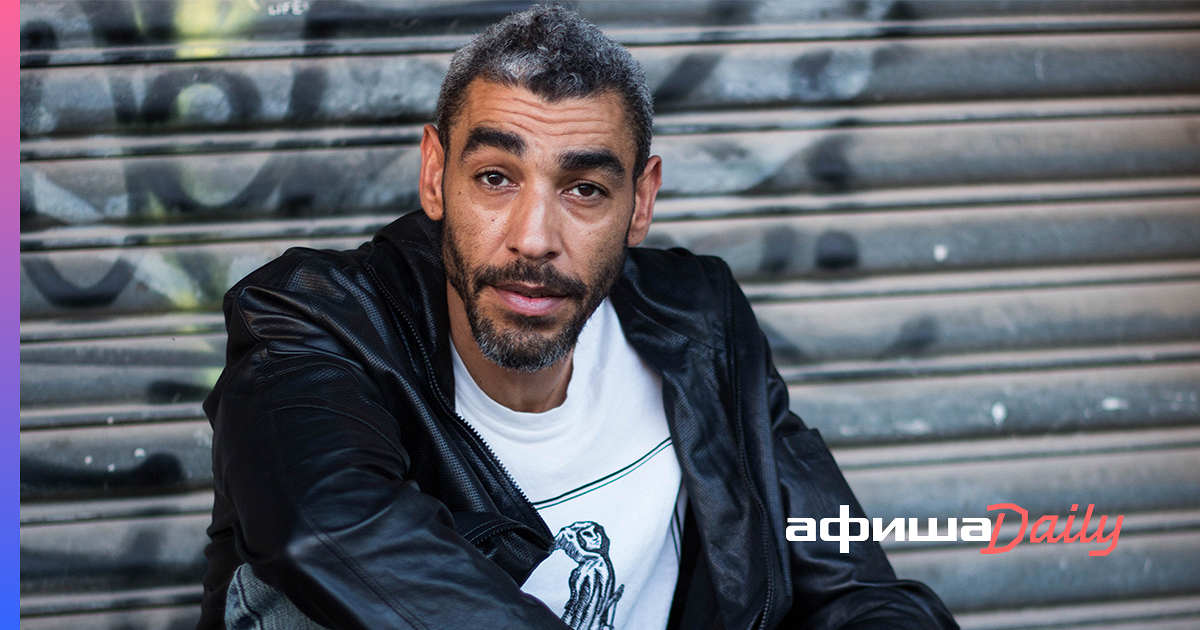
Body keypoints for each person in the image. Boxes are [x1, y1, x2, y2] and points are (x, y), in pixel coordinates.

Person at [199, 5, 957, 630]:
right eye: (495, 177)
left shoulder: (701, 324)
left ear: (642, 201)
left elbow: (854, 585)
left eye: (585, 189)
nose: (534, 238)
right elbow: (328, 526)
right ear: (435, 175)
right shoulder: (314, 320)